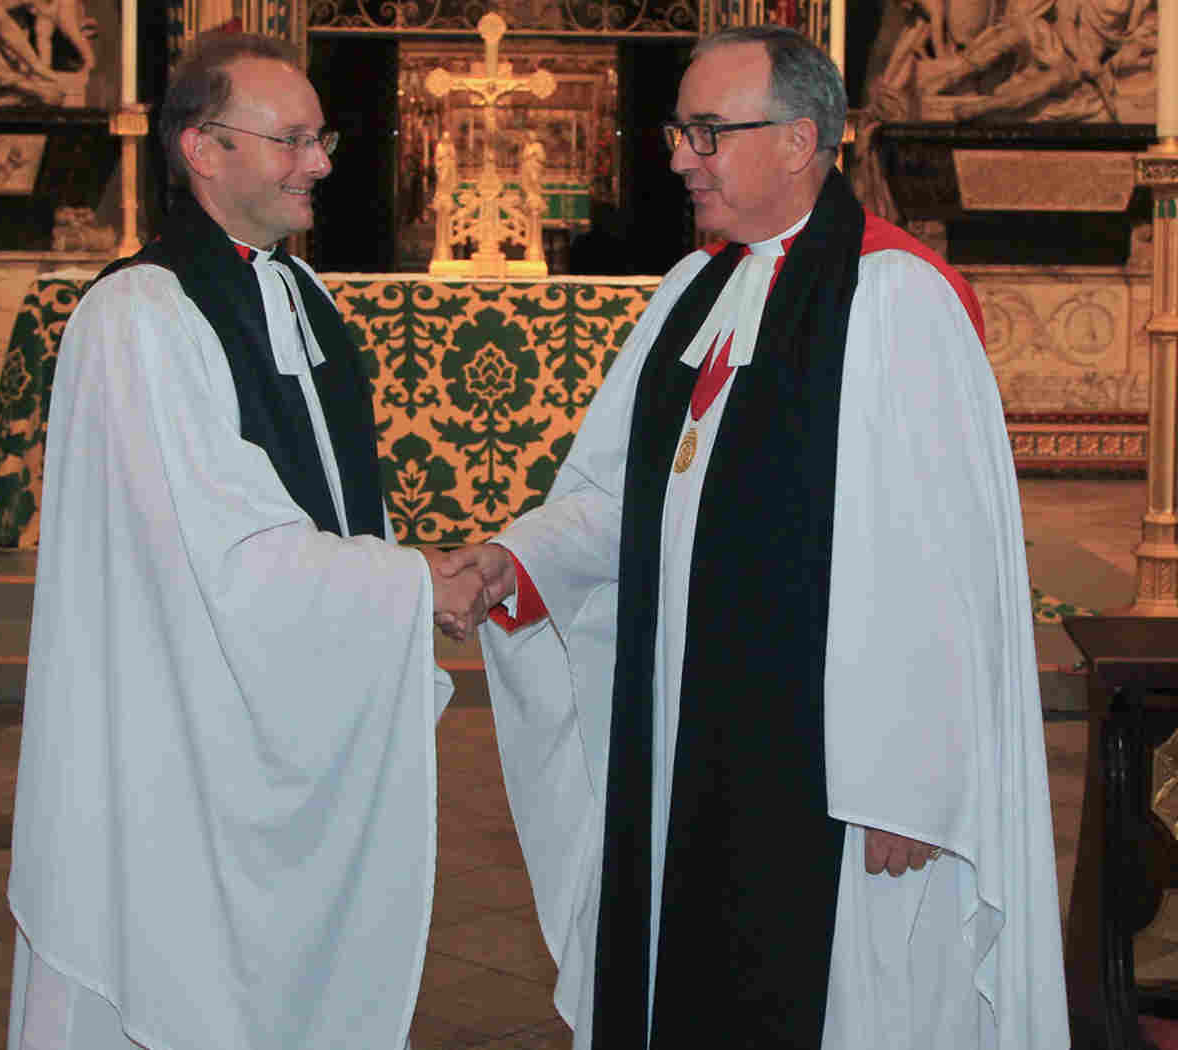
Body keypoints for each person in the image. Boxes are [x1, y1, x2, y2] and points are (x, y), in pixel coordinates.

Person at [443, 24, 1068, 1050]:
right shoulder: (695, 293)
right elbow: (623, 496)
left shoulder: (892, 298)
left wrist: (911, 778)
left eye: (707, 132)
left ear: (798, 141)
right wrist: (518, 558)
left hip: (837, 777)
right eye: (677, 132)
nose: (681, 157)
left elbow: (935, 560)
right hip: (686, 739)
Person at [6, 31, 487, 1050]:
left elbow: (330, 510)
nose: (318, 162)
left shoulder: (294, 293)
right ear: (204, 149)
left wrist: (401, 578)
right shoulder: (140, 315)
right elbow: (224, 549)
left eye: (321, 139)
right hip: (182, 731)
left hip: (283, 708)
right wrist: (411, 588)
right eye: (292, 140)